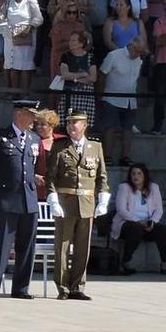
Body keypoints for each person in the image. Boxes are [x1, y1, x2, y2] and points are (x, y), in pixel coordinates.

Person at [0, 100, 42, 298]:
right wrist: (0, 190)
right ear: (18, 114)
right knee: (2, 245)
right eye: (30, 114)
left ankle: (21, 288)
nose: (34, 118)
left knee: (26, 246)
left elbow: (34, 168)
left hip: (29, 200)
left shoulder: (34, 139)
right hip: (6, 199)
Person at [49, 110, 110, 300]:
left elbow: (102, 176)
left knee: (83, 248)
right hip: (66, 203)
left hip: (87, 203)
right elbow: (51, 177)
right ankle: (63, 287)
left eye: (75, 122)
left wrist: (103, 199)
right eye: (69, 123)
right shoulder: (60, 147)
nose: (71, 126)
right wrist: (53, 200)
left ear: (84, 125)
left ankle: (77, 286)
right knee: (63, 247)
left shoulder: (95, 147)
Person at [112, 163, 166, 274]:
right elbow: (121, 210)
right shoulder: (124, 187)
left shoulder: (153, 188)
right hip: (128, 223)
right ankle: (126, 261)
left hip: (147, 223)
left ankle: (165, 263)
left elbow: (159, 209)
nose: (135, 176)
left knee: (162, 230)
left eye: (139, 174)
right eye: (133, 174)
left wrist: (152, 222)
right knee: (136, 229)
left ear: (145, 176)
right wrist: (138, 222)